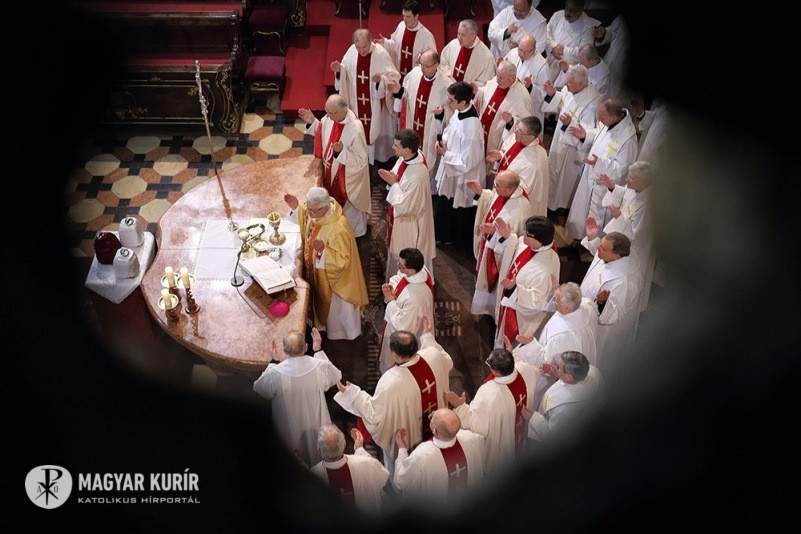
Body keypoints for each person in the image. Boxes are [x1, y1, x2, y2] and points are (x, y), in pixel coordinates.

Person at [334, 317, 452, 475]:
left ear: (395, 354)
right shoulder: (433, 355)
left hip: (409, 436)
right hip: (438, 426)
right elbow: (446, 360)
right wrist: (427, 335)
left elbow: (374, 413)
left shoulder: (390, 382)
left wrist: (352, 393)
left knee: (405, 466)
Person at [284, 187, 369, 340]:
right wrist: (297, 208)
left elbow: (342, 260)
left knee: (335, 311)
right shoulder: (316, 212)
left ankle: (341, 333)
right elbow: (306, 217)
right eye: (308, 208)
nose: (309, 214)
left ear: (324, 208)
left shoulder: (338, 227)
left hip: (336, 282)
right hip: (315, 271)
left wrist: (323, 251)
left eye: (312, 211)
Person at [252, 328, 340, 466]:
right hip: (316, 424)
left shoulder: (275, 373)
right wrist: (318, 351)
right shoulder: (319, 366)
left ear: (284, 351)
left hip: (288, 430)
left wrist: (273, 362)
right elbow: (335, 375)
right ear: (306, 347)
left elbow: (260, 388)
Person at [445, 348, 539, 472]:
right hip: (522, 440)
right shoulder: (526, 370)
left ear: (496, 371)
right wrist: (512, 355)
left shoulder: (489, 393)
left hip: (501, 456)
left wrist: (460, 406)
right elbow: (532, 370)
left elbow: (477, 427)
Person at [585, 161, 654, 313]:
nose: (626, 180)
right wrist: (612, 187)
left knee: (617, 285)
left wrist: (619, 217)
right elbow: (626, 194)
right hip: (616, 241)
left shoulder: (649, 205)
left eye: (631, 178)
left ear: (643, 182)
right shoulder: (637, 189)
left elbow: (637, 234)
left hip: (632, 250)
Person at [564, 98, 638, 239]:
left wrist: (599, 163)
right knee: (581, 211)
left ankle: (590, 246)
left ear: (614, 117)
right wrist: (585, 135)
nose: (599, 119)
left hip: (602, 187)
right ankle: (578, 239)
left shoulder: (628, 139)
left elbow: (621, 170)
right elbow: (601, 136)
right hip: (590, 177)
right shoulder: (610, 122)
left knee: (595, 221)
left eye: (602, 117)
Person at [298, 95, 371, 237]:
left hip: (346, 179)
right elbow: (322, 130)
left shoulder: (355, 128)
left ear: (341, 111)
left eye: (330, 113)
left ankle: (351, 236)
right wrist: (313, 122)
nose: (328, 116)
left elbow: (360, 160)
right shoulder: (331, 118)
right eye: (327, 112)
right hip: (329, 171)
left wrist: (341, 152)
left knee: (349, 216)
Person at [469, 170, 533, 318]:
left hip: (500, 256)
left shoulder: (520, 208)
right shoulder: (505, 193)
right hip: (489, 244)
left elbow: (515, 239)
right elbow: (493, 198)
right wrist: (482, 193)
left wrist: (494, 233)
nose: (494, 187)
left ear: (509, 189)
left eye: (497, 185)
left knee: (494, 286)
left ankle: (491, 310)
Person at [331, 28, 400, 164]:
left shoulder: (380, 53)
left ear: (370, 41)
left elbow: (394, 76)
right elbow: (344, 74)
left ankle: (378, 160)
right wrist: (339, 71)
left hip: (376, 106)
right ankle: (360, 157)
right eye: (359, 47)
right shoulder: (351, 52)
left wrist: (381, 81)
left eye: (364, 47)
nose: (362, 51)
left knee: (376, 132)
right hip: (356, 103)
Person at [542, 64, 601, 217]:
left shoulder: (591, 103)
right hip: (559, 139)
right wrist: (554, 94)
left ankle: (558, 211)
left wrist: (571, 125)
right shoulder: (574, 89)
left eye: (569, 83)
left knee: (563, 183)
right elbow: (564, 101)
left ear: (581, 84)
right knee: (553, 174)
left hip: (572, 150)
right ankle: (548, 205)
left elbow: (588, 131)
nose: (566, 85)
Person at [579, 231, 642, 371]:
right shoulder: (612, 257)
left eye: (602, 247)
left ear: (615, 256)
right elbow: (599, 256)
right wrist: (592, 238)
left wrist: (602, 304)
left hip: (604, 330)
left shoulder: (622, 281)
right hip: (585, 314)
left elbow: (615, 313)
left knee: (597, 359)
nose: (598, 248)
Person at [494, 215, 560, 347]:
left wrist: (514, 289)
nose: (523, 233)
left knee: (507, 343)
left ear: (539, 240)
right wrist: (507, 237)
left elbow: (538, 300)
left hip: (518, 313)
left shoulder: (545, 268)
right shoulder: (529, 245)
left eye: (527, 233)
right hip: (508, 299)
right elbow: (515, 246)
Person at [433, 81, 484, 249]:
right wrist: (442, 141)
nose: (448, 102)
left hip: (462, 175)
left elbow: (469, 161)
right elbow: (450, 130)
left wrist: (446, 154)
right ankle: (444, 235)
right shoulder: (459, 112)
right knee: (446, 203)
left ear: (463, 102)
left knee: (459, 210)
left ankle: (456, 243)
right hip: (451, 168)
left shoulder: (472, 128)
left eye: (451, 100)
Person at [388, 49, 453, 181]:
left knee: (427, 167)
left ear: (436, 65)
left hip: (429, 133)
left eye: (426, 66)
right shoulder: (415, 73)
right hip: (412, 125)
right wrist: (399, 91)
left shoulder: (446, 85)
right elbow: (406, 94)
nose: (422, 68)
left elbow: (451, 112)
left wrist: (441, 114)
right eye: (421, 64)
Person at [379, 130, 436, 278]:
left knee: (406, 257)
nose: (393, 147)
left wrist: (393, 184)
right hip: (401, 220)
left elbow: (406, 207)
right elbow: (398, 175)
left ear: (407, 150)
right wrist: (392, 178)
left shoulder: (417, 176)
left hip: (410, 224)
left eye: (396, 145)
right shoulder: (407, 158)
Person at [393, 408, 485, 497]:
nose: (432, 413)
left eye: (431, 417)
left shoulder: (422, 455)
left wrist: (402, 449)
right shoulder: (472, 438)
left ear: (435, 431)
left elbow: (402, 480)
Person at [522, 351, 602, 443]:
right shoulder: (591, 371)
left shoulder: (564, 408)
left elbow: (552, 435)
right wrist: (559, 375)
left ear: (569, 377)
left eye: (559, 367)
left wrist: (533, 418)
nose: (556, 366)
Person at [378, 247, 435, 374]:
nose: (398, 266)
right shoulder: (421, 271)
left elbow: (403, 327)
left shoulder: (415, 300)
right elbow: (400, 277)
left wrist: (390, 300)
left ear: (411, 269)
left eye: (401, 265)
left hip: (408, 333)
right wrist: (393, 287)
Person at [310, 425, 389, 514]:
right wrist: (359, 449)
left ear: (319, 450)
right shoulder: (366, 462)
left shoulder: (312, 477)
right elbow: (382, 477)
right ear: (344, 444)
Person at [486, 115, 548, 216]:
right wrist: (500, 155)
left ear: (531, 137)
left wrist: (505, 179)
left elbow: (524, 189)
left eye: (520, 131)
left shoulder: (533, 163)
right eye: (517, 128)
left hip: (513, 208)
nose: (515, 132)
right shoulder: (519, 138)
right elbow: (507, 147)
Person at [473, 60, 534, 157]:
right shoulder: (497, 80)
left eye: (501, 77)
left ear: (512, 78)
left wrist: (511, 121)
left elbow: (526, 124)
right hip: (481, 129)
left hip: (497, 139)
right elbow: (485, 92)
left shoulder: (522, 96)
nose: (497, 80)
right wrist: (477, 90)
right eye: (497, 76)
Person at [503, 34, 549, 139]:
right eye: (520, 50)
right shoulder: (513, 53)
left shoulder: (542, 67)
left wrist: (530, 88)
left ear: (534, 49)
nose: (522, 54)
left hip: (529, 110)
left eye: (527, 52)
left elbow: (545, 96)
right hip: (510, 103)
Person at [378, 0, 437, 79]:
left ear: (416, 16)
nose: (405, 19)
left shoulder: (426, 36)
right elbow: (395, 44)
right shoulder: (401, 26)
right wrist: (386, 43)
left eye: (408, 17)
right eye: (403, 16)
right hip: (399, 75)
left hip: (415, 79)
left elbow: (432, 59)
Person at [544, 0, 600, 82]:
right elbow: (546, 33)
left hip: (569, 70)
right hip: (550, 59)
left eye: (572, 11)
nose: (567, 13)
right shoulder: (557, 15)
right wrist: (553, 47)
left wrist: (564, 51)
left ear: (580, 10)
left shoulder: (588, 27)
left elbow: (585, 52)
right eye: (566, 9)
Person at [440, 19, 496, 86]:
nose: (459, 37)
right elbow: (444, 61)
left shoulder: (487, 57)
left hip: (468, 92)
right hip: (449, 87)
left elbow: (486, 83)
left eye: (463, 35)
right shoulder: (453, 44)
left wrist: (466, 87)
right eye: (458, 33)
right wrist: (449, 78)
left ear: (473, 35)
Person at [593, 13, 631, 108]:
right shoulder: (620, 17)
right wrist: (604, 33)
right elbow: (614, 31)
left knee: (621, 103)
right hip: (610, 62)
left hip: (626, 72)